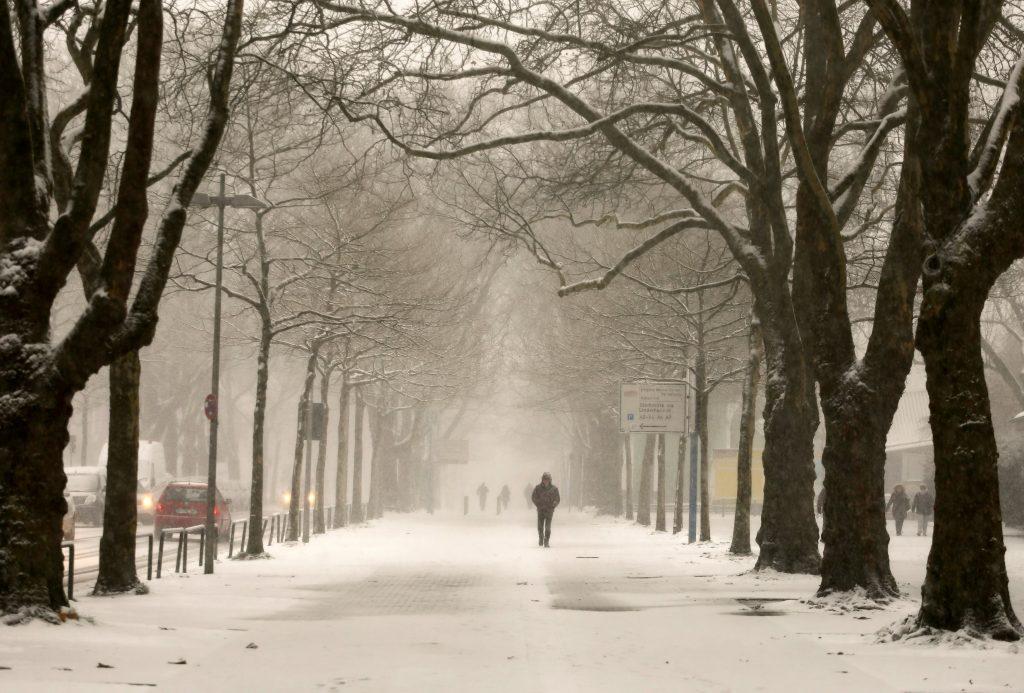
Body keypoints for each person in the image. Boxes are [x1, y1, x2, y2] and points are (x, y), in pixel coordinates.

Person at [531, 472, 560, 547]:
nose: (546, 481)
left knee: (548, 527)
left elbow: (557, 499)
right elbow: (533, 497)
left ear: (550, 480)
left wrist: (554, 504)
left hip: (549, 511)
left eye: (547, 479)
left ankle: (546, 540)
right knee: (540, 526)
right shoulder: (538, 488)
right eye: (544, 479)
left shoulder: (554, 489)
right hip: (541, 510)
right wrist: (538, 504)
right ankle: (541, 537)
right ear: (542, 480)